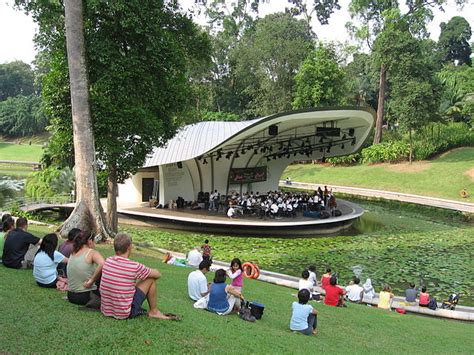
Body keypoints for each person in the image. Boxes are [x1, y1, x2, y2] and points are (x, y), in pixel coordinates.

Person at [100, 233, 173, 320]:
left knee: (140, 277)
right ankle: (154, 312)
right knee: (150, 279)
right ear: (129, 247)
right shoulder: (134, 266)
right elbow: (157, 274)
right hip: (124, 313)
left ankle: (153, 311)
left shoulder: (108, 260)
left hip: (106, 310)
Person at [67, 231, 105, 305]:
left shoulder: (73, 252)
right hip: (85, 296)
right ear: (90, 241)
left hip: (71, 296)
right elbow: (103, 264)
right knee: (105, 273)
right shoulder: (92, 252)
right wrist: (91, 280)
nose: (95, 243)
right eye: (94, 241)